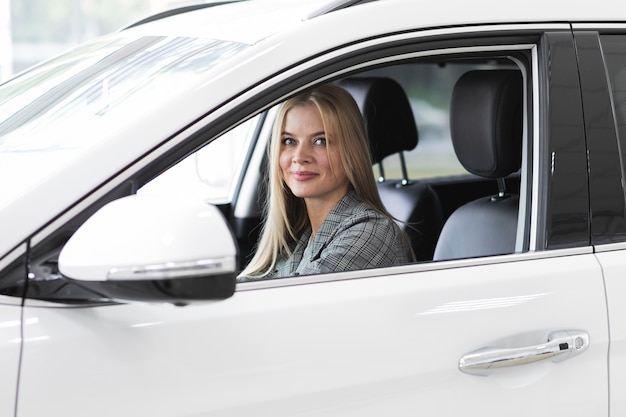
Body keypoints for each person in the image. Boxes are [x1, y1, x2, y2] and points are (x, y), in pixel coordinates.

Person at [238, 83, 414, 281]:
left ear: (351, 152)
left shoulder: (372, 233)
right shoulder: (300, 236)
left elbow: (288, 302)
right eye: (289, 141)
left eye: (320, 141)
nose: (300, 156)